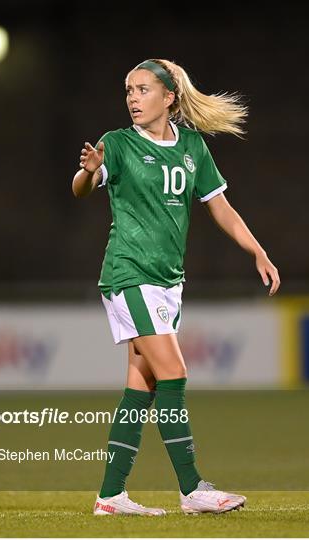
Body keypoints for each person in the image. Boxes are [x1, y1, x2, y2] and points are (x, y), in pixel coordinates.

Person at [72, 58, 280, 516]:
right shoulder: (118, 144)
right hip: (129, 274)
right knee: (174, 373)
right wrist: (88, 171)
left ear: (169, 97)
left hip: (167, 283)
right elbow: (81, 188)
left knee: (141, 386)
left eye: (142, 89)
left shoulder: (192, 148)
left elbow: (219, 206)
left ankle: (110, 497)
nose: (132, 97)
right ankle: (192, 489)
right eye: (128, 89)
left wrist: (257, 251)